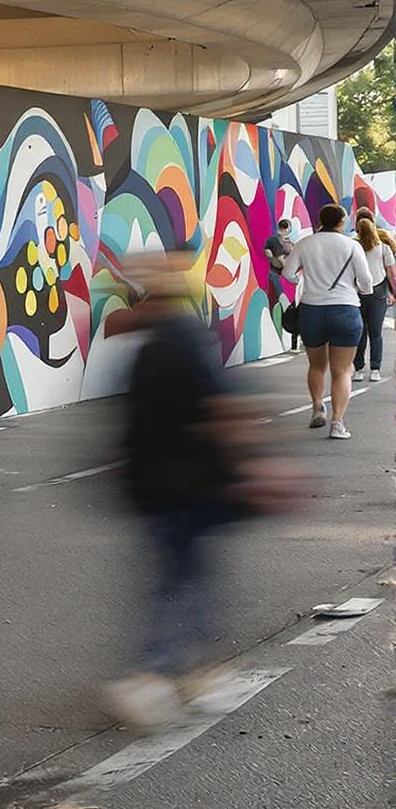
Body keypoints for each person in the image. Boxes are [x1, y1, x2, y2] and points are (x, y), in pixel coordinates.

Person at [101, 255, 285, 728]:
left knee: (185, 571)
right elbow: (222, 405)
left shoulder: (149, 345)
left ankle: (199, 668)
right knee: (184, 576)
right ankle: (154, 671)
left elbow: (131, 420)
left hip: (155, 484)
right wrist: (256, 466)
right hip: (190, 484)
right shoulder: (185, 339)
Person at [289, 204, 369, 439]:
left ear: (320, 220)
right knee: (342, 370)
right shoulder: (352, 246)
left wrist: (306, 282)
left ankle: (317, 408)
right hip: (345, 309)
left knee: (316, 365)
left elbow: (287, 274)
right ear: (341, 222)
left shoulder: (305, 243)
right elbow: (366, 281)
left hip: (312, 309)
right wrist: (358, 289)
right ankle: (337, 423)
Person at [358, 214, 393, 383]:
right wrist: (393, 292)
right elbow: (392, 273)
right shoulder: (384, 247)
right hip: (378, 292)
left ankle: (358, 369)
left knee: (360, 332)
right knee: (375, 333)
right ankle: (375, 369)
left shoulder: (354, 247)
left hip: (357, 293)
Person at [265, 217, 298, 344]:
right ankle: (291, 341)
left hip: (275, 277)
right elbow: (280, 260)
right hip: (284, 278)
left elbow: (268, 253)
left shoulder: (271, 240)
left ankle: (287, 341)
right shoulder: (280, 242)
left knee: (280, 307)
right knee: (288, 308)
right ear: (287, 228)